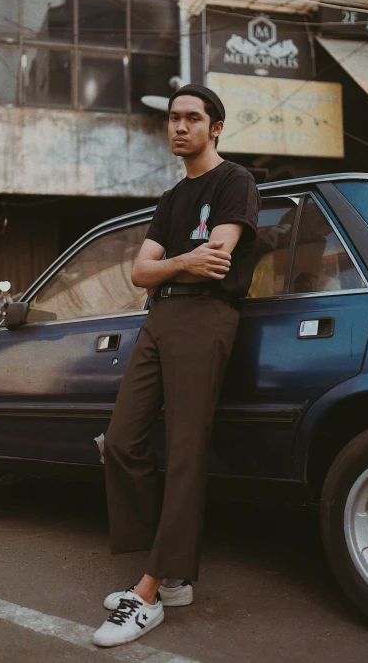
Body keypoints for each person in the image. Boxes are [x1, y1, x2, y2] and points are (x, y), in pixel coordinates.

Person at [93, 84, 261, 647]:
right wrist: (181, 262)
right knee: (120, 440)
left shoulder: (234, 181)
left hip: (206, 319)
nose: (179, 127)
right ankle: (172, 568)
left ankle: (149, 590)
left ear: (215, 127)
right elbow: (139, 274)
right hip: (161, 319)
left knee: (186, 449)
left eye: (192, 118)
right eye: (172, 119)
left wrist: (175, 262)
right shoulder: (170, 198)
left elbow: (219, 261)